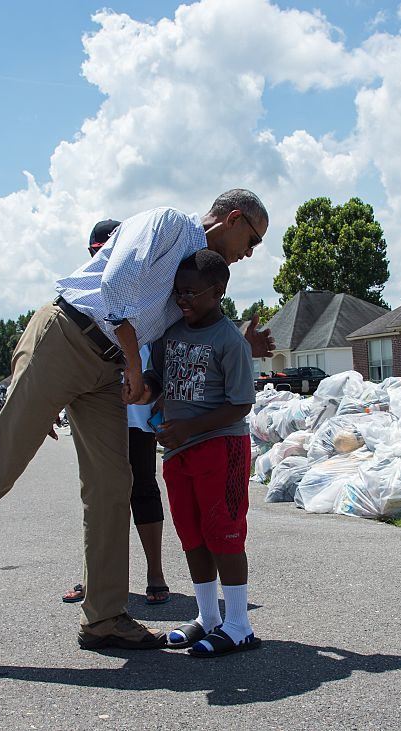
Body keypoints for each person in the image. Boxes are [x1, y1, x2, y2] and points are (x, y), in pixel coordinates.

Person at [0, 189, 272, 650]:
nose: (249, 254)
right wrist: (135, 365)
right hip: (66, 336)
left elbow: (191, 325)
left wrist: (230, 344)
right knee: (1, 462)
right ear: (233, 219)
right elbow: (115, 285)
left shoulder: (196, 268)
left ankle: (104, 617)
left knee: (113, 485)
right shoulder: (170, 223)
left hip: (107, 367)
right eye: (252, 240)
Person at [140, 249, 259, 658]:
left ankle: (239, 624)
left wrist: (189, 427)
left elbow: (241, 403)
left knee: (223, 532)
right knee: (192, 535)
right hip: (177, 452)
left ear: (219, 290)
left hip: (220, 447)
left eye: (191, 292)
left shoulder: (229, 341)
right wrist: (148, 390)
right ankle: (208, 619)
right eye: (178, 293)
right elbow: (157, 376)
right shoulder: (170, 332)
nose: (182, 300)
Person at [62, 219, 169, 606]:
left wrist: (161, 397)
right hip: (94, 411)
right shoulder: (84, 293)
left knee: (143, 487)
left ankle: (155, 573)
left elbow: (164, 346)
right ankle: (96, 578)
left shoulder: (148, 291)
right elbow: (65, 356)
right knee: (99, 495)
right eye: (96, 252)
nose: (102, 258)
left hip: (137, 413)